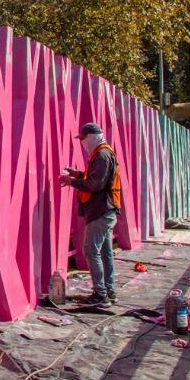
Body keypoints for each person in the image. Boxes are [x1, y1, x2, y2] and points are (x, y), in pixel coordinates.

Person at [58, 123, 121, 305]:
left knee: (91, 250)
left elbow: (95, 184)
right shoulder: (103, 153)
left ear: (92, 137)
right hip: (106, 210)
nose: (82, 142)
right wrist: (77, 175)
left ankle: (100, 295)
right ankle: (108, 291)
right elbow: (96, 177)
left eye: (83, 138)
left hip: (101, 211)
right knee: (105, 252)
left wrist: (71, 182)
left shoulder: (101, 155)